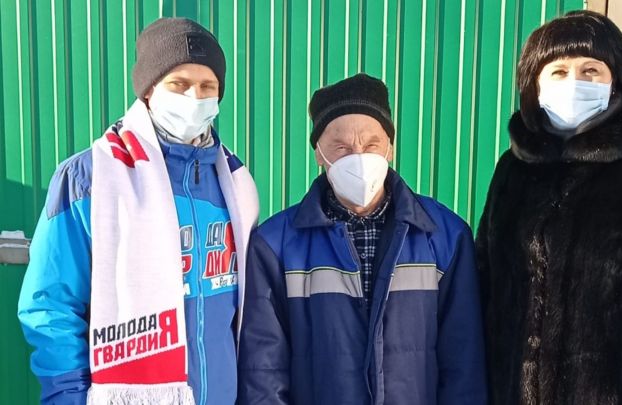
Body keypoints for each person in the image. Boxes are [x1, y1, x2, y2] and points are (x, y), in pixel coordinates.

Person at [475, 10, 622, 404]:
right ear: (535, 85)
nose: (574, 82)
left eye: (591, 70)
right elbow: (484, 291)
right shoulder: (514, 170)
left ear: (617, 79)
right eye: (558, 71)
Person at [17, 18, 258, 405]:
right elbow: (50, 306)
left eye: (207, 86)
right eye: (179, 84)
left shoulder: (234, 183)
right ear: (149, 90)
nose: (195, 97)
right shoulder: (89, 178)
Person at [238, 73, 488, 404]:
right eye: (341, 147)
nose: (358, 157)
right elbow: (264, 369)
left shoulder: (445, 237)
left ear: (390, 148)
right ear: (318, 153)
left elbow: (464, 363)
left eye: (371, 145)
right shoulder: (275, 246)